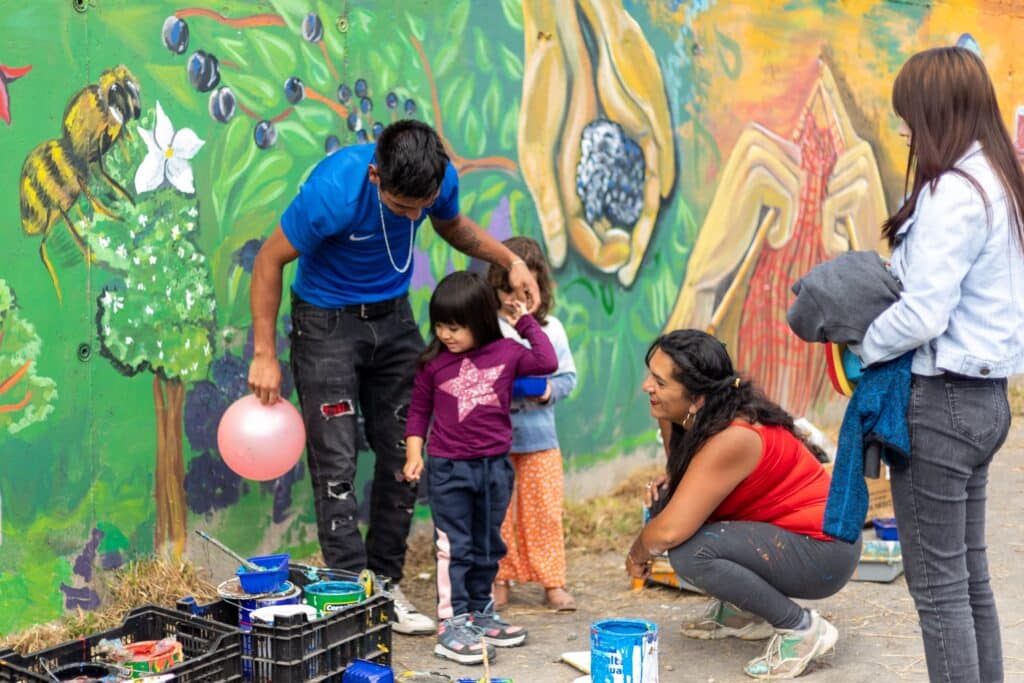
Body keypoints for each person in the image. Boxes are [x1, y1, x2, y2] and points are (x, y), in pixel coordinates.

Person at [247, 120, 540, 635]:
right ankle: (348, 596)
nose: (412, 216)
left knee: (406, 454)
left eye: (420, 206)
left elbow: (451, 225)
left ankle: (383, 585)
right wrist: (264, 353)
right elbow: (269, 262)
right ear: (375, 173)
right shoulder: (334, 192)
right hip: (325, 323)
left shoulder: (437, 179)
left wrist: (509, 259)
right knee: (336, 464)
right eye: (401, 206)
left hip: (394, 318)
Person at [856, 46, 1024, 683]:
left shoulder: (954, 193)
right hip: (985, 401)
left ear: (937, 114)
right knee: (968, 578)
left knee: (939, 592)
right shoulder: (999, 180)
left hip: (941, 403)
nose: (903, 130)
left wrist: (865, 346)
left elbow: (923, 314)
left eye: (909, 116)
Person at [626, 330, 861, 680]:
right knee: (672, 511)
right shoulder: (687, 416)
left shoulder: (735, 436)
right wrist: (669, 485)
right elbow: (687, 479)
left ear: (696, 398)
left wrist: (637, 552)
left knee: (689, 551)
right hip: (792, 535)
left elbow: (671, 530)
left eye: (659, 381)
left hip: (826, 550)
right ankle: (742, 614)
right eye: (650, 375)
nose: (647, 386)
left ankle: (801, 629)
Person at [403, 271, 557, 664]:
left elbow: (547, 361)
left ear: (481, 322)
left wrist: (523, 319)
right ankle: (451, 624)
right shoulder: (433, 364)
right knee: (455, 547)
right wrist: (413, 453)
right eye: (439, 325)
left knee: (488, 543)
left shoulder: (506, 352)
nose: (445, 334)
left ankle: (479, 612)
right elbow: (419, 411)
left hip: (494, 468)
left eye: (455, 327)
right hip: (450, 469)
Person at [486, 237, 578, 611]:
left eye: (523, 291)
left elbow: (568, 378)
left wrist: (545, 391)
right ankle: (499, 578)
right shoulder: (489, 328)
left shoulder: (551, 328)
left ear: (539, 287)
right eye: (507, 291)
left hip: (540, 440)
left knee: (544, 513)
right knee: (498, 513)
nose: (515, 300)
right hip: (496, 440)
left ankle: (551, 582)